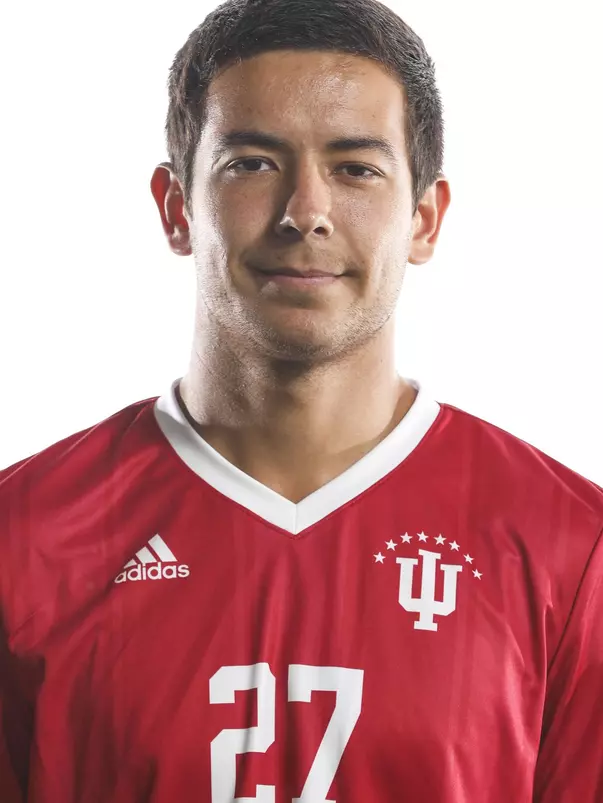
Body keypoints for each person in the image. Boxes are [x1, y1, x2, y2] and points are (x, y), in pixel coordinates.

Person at [1, 0, 602, 800]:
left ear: (424, 218)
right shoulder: (24, 537)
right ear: (177, 207)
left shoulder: (570, 548)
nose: (303, 213)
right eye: (251, 162)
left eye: (355, 167)